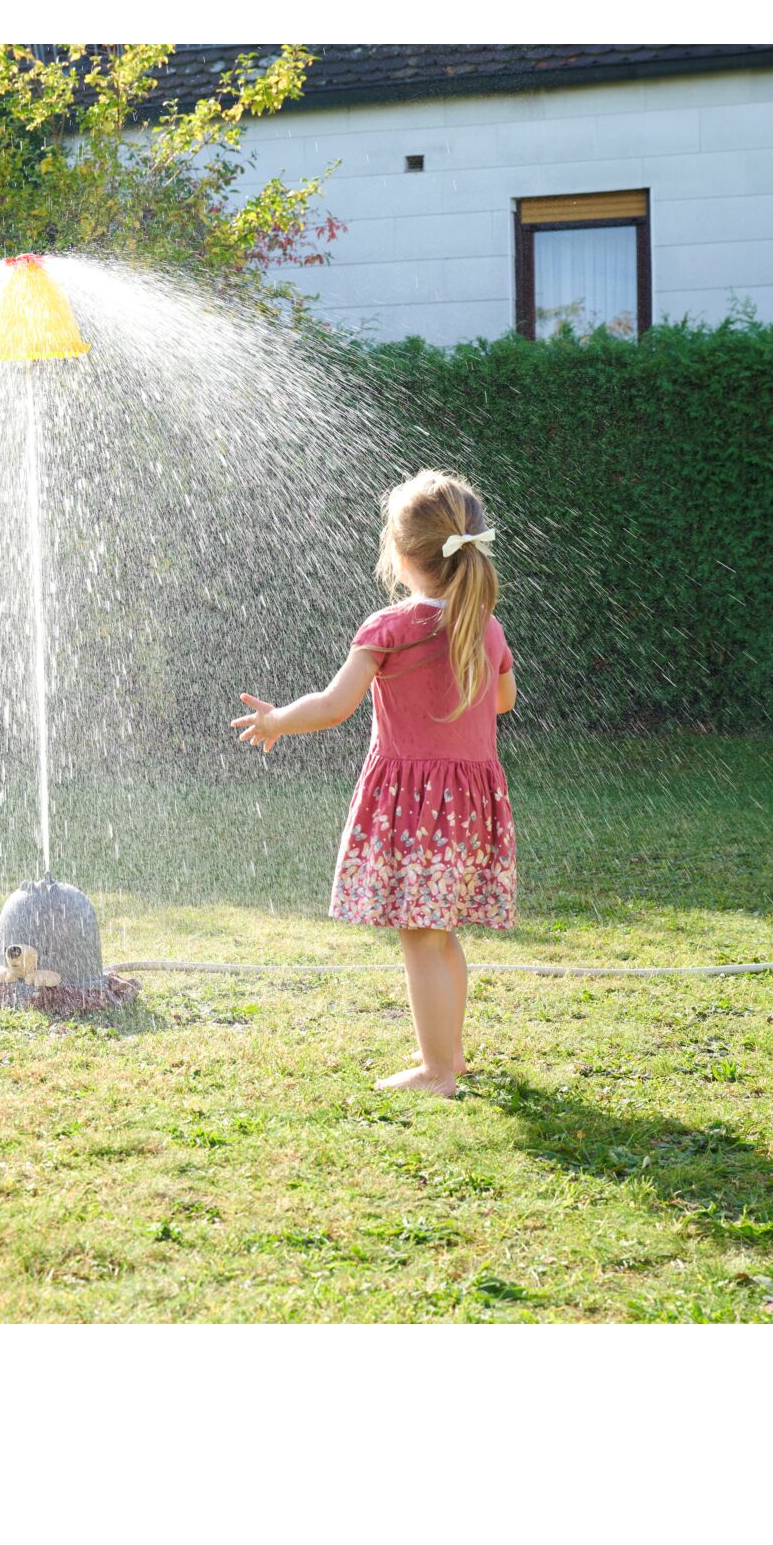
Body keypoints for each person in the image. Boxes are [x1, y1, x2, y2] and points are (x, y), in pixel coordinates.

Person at [233, 470, 516, 1097]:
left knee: (418, 936)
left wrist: (277, 719)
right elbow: (502, 700)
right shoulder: (486, 626)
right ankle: (453, 1056)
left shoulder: (391, 627)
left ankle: (437, 1070)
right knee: (440, 935)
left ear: (403, 556)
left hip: (416, 806)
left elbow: (335, 705)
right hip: (471, 806)